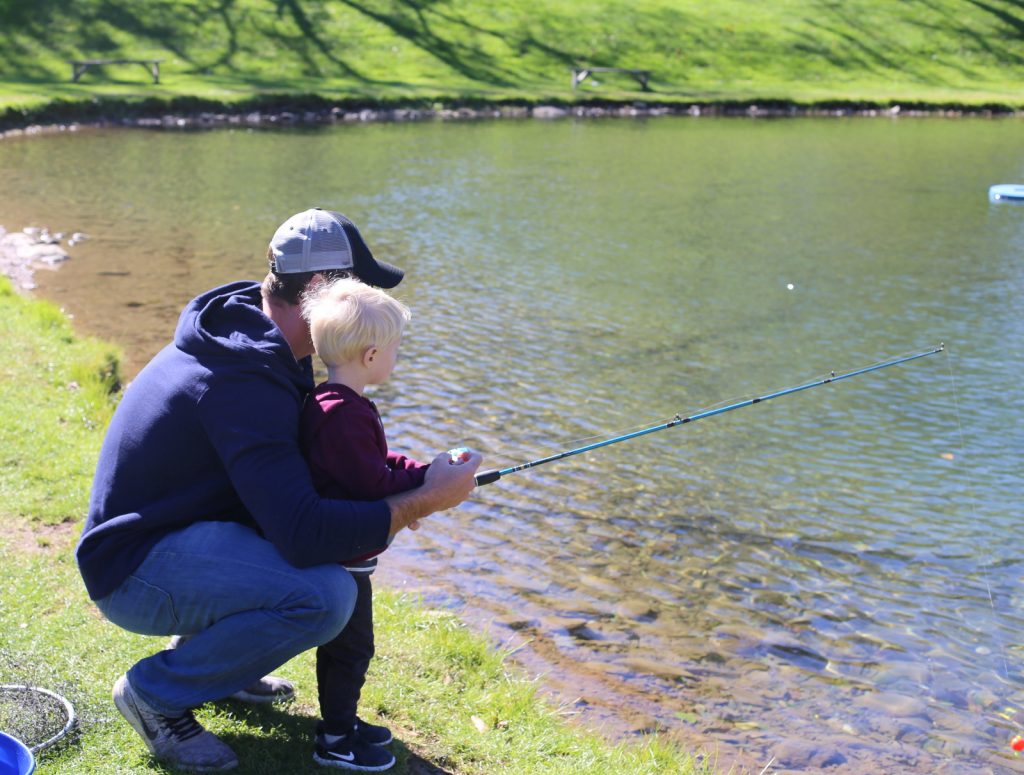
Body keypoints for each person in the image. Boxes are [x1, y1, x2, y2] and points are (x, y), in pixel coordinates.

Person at [75, 208, 481, 772]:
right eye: (355, 288)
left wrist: (404, 483)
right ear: (316, 288)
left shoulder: (262, 335)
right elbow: (303, 532)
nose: (361, 306)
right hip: (132, 570)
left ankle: (215, 665)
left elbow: (298, 486)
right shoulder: (243, 381)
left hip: (178, 537)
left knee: (315, 577)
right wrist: (423, 500)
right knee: (326, 597)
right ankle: (156, 695)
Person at [299, 278, 439, 770]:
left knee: (349, 648)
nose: (397, 357)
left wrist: (423, 474)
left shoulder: (331, 401)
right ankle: (335, 740)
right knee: (352, 650)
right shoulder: (344, 414)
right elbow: (369, 483)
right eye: (396, 348)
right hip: (345, 557)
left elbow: (372, 465)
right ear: (373, 354)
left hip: (344, 550)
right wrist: (425, 491)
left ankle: (344, 721)